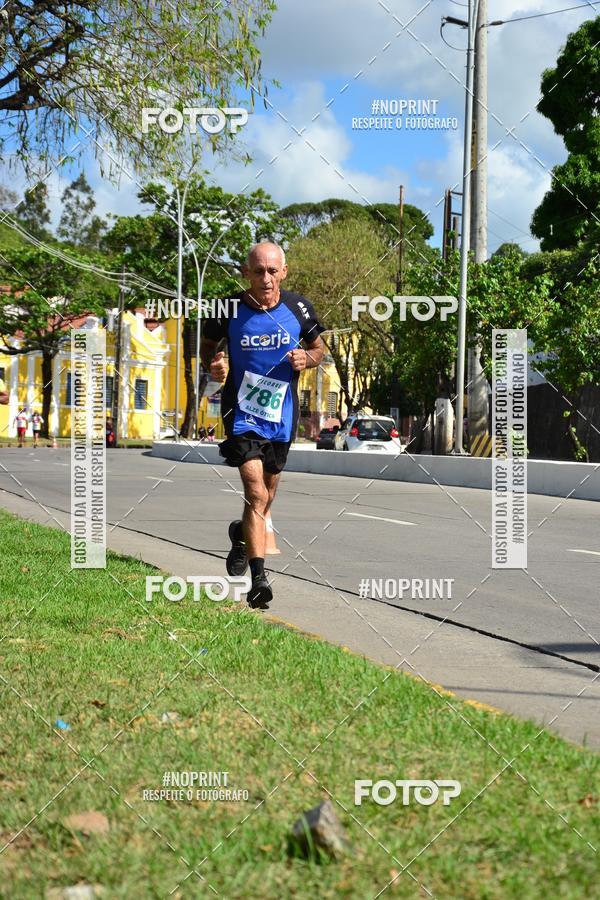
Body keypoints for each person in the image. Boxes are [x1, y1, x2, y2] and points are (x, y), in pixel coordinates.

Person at [200, 241, 325, 610]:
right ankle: (259, 581)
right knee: (255, 495)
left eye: (272, 271)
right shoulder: (226, 309)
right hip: (241, 414)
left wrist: (308, 357)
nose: (266, 279)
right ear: (246, 273)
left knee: (267, 497)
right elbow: (207, 348)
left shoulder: (298, 308)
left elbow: (319, 349)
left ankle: (241, 535)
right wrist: (215, 363)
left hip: (282, 418)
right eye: (258, 271)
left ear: (283, 272)